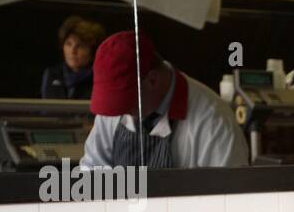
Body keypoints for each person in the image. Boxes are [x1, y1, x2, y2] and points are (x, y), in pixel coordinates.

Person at [81, 30, 248, 169]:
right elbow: (93, 169)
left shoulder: (214, 122)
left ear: (152, 80)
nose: (121, 111)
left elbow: (227, 199)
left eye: (127, 103)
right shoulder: (114, 109)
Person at [41, 16, 105, 101]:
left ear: (93, 50)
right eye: (68, 44)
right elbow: (48, 110)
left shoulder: (102, 78)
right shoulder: (52, 74)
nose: (72, 51)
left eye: (80, 46)